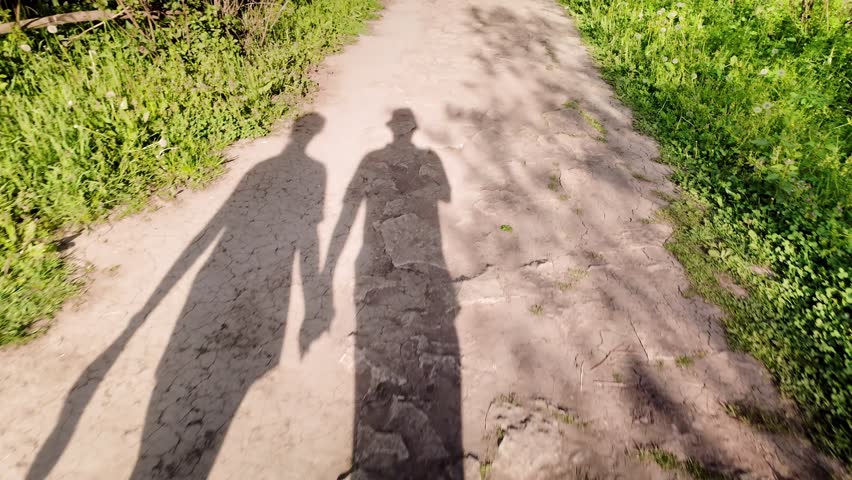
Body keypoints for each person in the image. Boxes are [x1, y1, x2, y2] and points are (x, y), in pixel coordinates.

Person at [307, 109, 463, 478]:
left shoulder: (374, 158)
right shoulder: (429, 158)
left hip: (373, 257)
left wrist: (328, 270)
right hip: (422, 253)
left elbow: (347, 209)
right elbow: (446, 197)